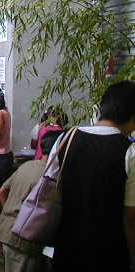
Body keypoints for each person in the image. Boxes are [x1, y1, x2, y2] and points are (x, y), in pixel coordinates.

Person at [48, 81, 135, 271]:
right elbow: (130, 218)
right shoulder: (130, 152)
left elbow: (50, 190)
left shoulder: (66, 139)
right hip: (110, 254)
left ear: (102, 109)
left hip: (66, 250)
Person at [0, 130, 63, 272]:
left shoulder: (26, 166)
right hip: (22, 243)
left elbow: (1, 192)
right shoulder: (51, 179)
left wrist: (10, 215)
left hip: (1, 233)